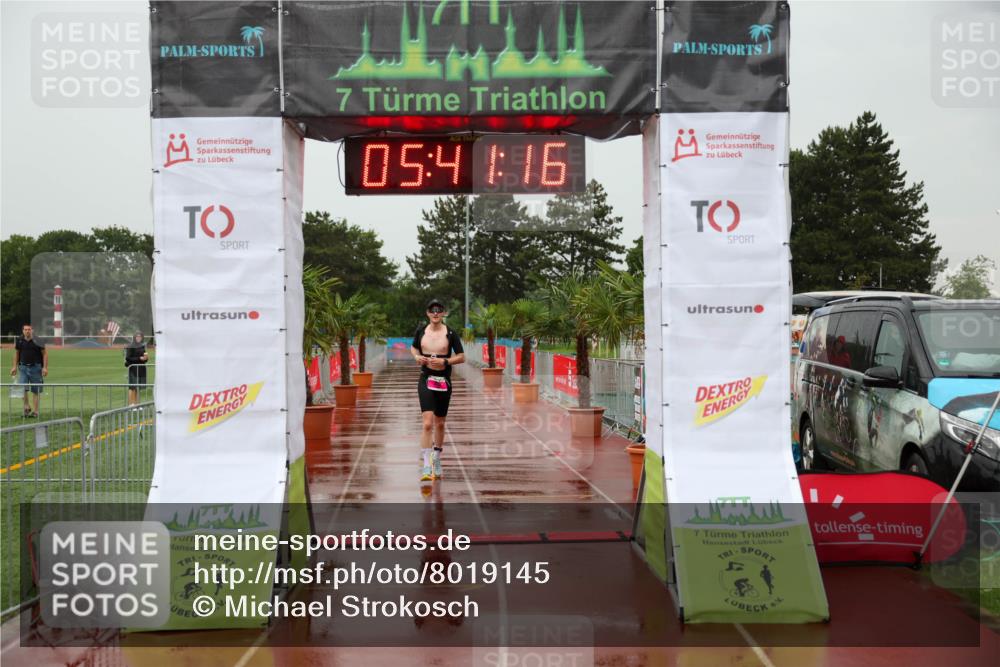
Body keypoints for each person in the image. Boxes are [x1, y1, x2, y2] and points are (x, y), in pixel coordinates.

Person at [411, 298, 465, 481]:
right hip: (425, 379)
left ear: (443, 313)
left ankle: (436, 458)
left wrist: (445, 361)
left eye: (439, 310)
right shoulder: (420, 331)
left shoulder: (450, 333)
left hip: (443, 381)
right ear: (427, 313)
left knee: (440, 423)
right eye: (432, 310)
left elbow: (462, 356)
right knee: (427, 423)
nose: (435, 313)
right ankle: (426, 464)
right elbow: (413, 348)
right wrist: (417, 357)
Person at [10, 324, 47, 418]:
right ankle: (26, 407)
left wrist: (45, 367)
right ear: (23, 331)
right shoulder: (19, 340)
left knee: (36, 391)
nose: (27, 331)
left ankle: (36, 411)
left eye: (29, 329)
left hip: (36, 368)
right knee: (22, 388)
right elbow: (17, 354)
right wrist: (14, 366)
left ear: (32, 330)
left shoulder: (38, 340)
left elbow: (45, 354)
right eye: (25, 329)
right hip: (23, 368)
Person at [125, 332, 149, 405]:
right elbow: (128, 358)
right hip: (133, 369)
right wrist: (139, 358)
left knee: (138, 387)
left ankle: (137, 404)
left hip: (141, 369)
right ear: (134, 337)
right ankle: (131, 404)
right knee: (132, 387)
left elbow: (144, 359)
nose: (138, 338)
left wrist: (145, 358)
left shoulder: (142, 346)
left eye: (140, 337)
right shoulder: (130, 346)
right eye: (137, 336)